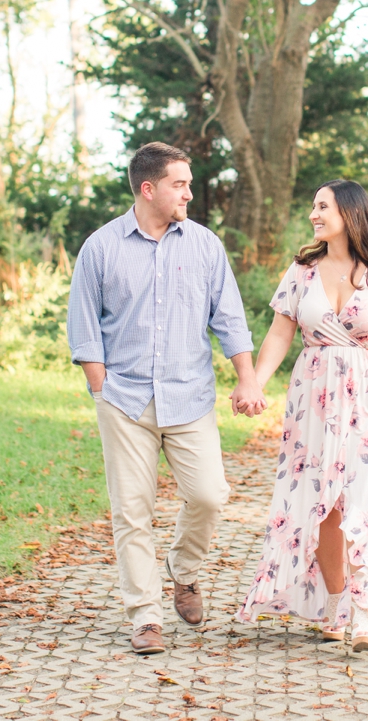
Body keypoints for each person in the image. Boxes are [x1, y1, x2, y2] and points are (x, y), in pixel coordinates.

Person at [67, 142, 268, 655]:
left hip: (190, 396)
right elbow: (84, 328)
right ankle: (145, 616)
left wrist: (246, 379)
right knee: (131, 510)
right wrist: (100, 389)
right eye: (180, 184)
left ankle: (184, 572)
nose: (189, 193)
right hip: (125, 400)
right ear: (148, 188)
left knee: (209, 494)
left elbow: (229, 318)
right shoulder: (101, 247)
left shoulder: (204, 245)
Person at [236, 178, 368, 652]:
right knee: (324, 508)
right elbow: (280, 333)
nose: (314, 214)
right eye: (313, 206)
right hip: (312, 400)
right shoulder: (302, 271)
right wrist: (255, 381)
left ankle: (363, 615)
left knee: (365, 502)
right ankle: (337, 601)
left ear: (350, 212)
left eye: (323, 206)